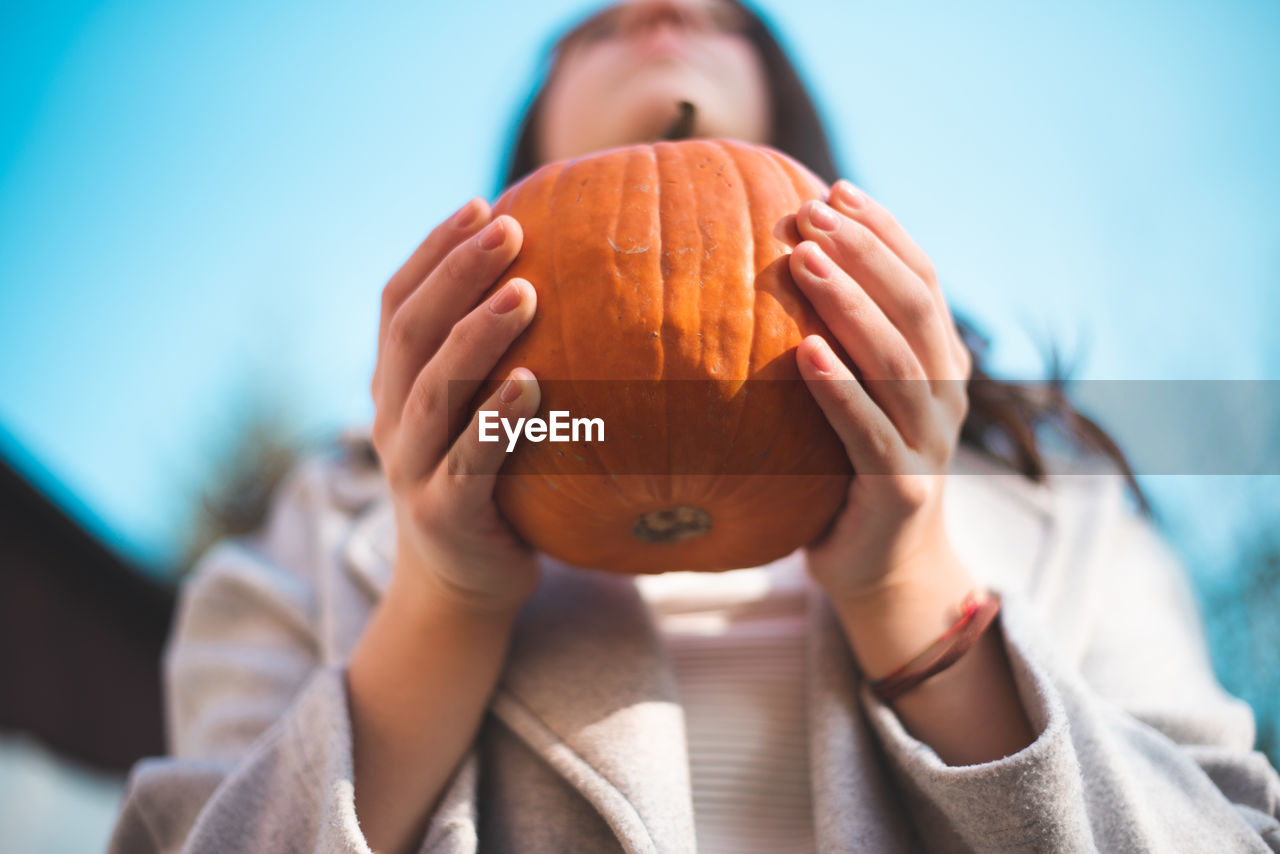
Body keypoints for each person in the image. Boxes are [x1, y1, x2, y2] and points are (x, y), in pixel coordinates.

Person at [109, 1, 1280, 852]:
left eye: (714, 16)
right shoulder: (322, 523)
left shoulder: (1059, 505)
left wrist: (914, 590)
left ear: (787, 121)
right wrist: (443, 604)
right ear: (525, 162)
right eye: (600, 27)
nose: (660, 11)